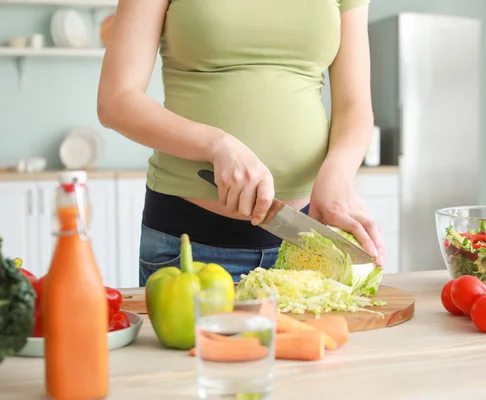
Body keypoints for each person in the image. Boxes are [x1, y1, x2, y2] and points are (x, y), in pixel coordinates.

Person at [97, 0, 386, 286]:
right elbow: (116, 101)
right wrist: (216, 144)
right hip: (191, 249)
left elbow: (354, 104)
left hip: (309, 246)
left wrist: (338, 175)